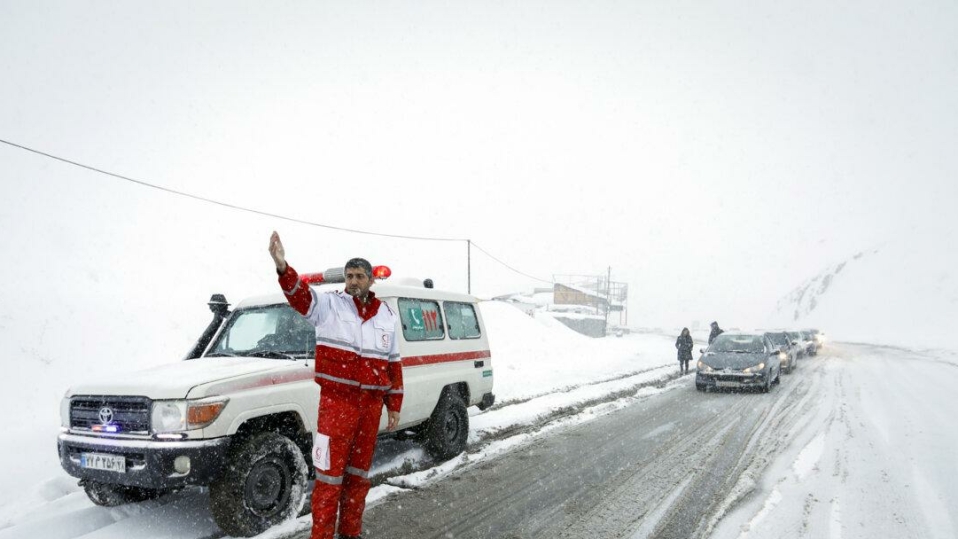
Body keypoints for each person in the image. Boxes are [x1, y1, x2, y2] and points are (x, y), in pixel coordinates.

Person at [268, 231, 402, 539]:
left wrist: (393, 404)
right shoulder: (329, 306)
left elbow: (393, 363)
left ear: (371, 280)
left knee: (358, 478)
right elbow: (300, 296)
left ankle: (350, 533)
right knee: (329, 481)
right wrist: (282, 267)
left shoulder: (386, 315)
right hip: (336, 405)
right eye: (349, 276)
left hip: (369, 408)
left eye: (359, 276)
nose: (353, 281)